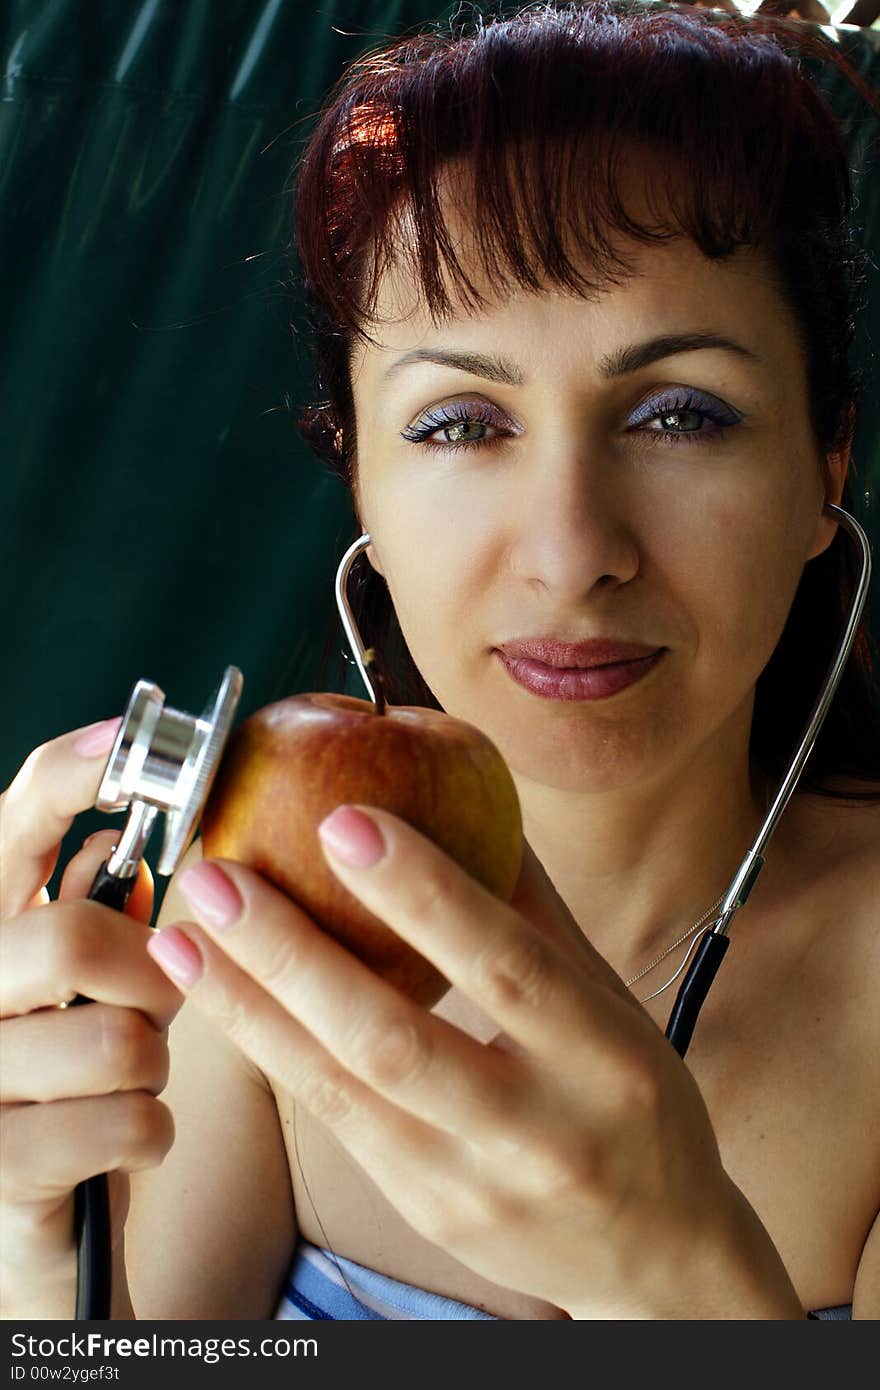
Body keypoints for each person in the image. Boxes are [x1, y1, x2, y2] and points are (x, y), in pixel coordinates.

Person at [2, 1, 879, 1322]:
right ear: (356, 476)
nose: (573, 551)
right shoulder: (240, 943)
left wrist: (683, 1282)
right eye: (462, 422)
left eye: (681, 412)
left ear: (828, 467)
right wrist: (32, 1277)